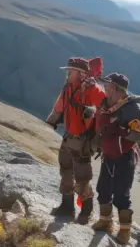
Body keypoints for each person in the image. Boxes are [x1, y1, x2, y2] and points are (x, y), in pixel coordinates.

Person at [46, 57, 106, 225]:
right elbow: (58, 108)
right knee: (65, 171)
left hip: (84, 141)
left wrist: (93, 87)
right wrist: (49, 122)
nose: (67, 73)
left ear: (81, 74)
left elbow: (105, 105)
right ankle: (67, 207)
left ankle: (86, 211)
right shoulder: (68, 88)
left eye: (70, 71)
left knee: (82, 177)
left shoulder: (91, 89)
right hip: (69, 137)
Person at [92, 73, 140, 245]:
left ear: (117, 90)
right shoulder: (106, 105)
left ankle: (125, 230)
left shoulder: (132, 109)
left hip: (124, 158)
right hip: (108, 155)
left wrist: (118, 129)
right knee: (103, 189)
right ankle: (105, 221)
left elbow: (135, 135)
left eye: (108, 87)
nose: (105, 89)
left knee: (121, 195)